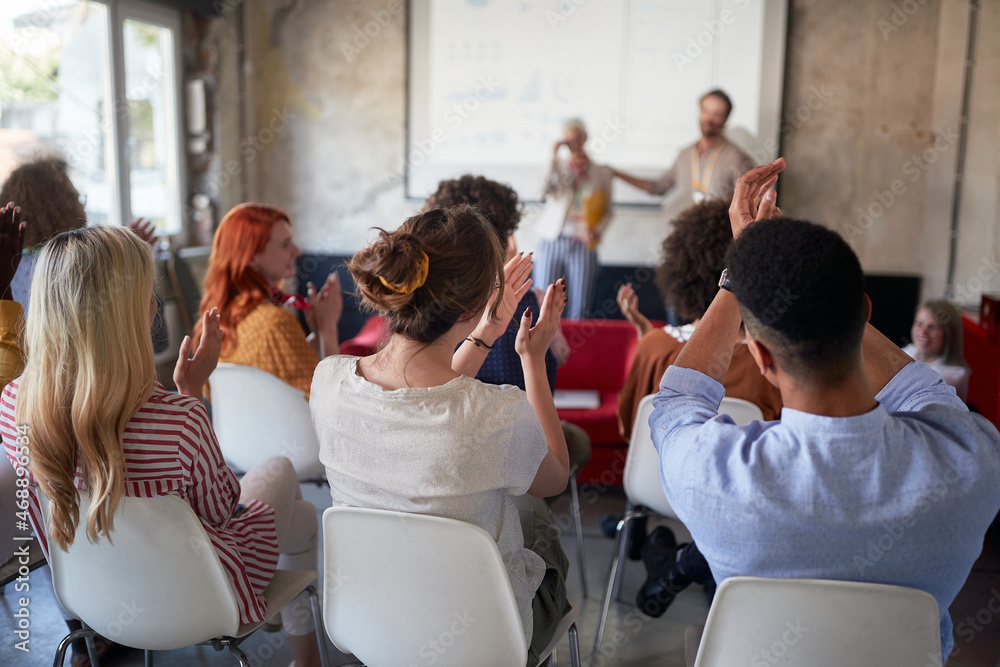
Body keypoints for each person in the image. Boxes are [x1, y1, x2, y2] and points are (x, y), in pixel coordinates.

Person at [650, 158, 1000, 664]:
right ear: (864, 315)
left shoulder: (712, 472)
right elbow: (927, 393)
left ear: (762, 359)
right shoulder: (972, 460)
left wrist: (740, 273)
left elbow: (678, 400)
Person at [0, 225, 324, 667]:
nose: (156, 302)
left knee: (304, 521)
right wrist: (191, 393)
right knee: (281, 472)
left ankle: (304, 656)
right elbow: (224, 513)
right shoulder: (180, 421)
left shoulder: (11, 403)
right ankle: (306, 659)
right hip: (203, 595)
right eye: (149, 290)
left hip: (94, 594)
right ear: (129, 311)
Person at [312, 205, 573, 664]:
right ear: (475, 303)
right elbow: (555, 479)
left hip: (375, 623)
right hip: (483, 639)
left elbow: (432, 399)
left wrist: (488, 329)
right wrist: (533, 361)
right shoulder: (495, 412)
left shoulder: (328, 381)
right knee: (538, 524)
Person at [426, 174, 589, 484]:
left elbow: (437, 393)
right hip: (520, 445)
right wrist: (533, 357)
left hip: (454, 446)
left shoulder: (440, 309)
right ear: (502, 238)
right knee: (573, 446)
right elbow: (554, 478)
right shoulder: (536, 299)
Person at [197, 203, 341, 399]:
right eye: (285, 244)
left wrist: (318, 334)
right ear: (252, 257)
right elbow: (332, 405)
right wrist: (328, 329)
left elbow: (280, 365)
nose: (296, 251)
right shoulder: (274, 323)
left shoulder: (219, 319)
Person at [611, 90, 753, 211]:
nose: (708, 119)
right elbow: (658, 187)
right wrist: (617, 174)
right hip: (685, 235)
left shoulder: (737, 158)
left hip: (719, 236)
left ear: (726, 119)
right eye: (705, 110)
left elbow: (750, 202)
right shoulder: (684, 155)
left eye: (716, 114)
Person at [535, 118, 614, 319]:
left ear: (585, 138)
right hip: (553, 239)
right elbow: (541, 193)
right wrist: (553, 159)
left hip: (583, 243)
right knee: (543, 299)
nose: (574, 144)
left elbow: (607, 210)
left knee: (580, 305)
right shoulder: (559, 167)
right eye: (568, 141)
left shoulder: (601, 172)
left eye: (577, 139)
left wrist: (596, 231)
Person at [902, 300, 970, 401]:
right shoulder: (911, 350)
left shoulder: (954, 374)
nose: (922, 332)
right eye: (919, 323)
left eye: (932, 327)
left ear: (949, 334)